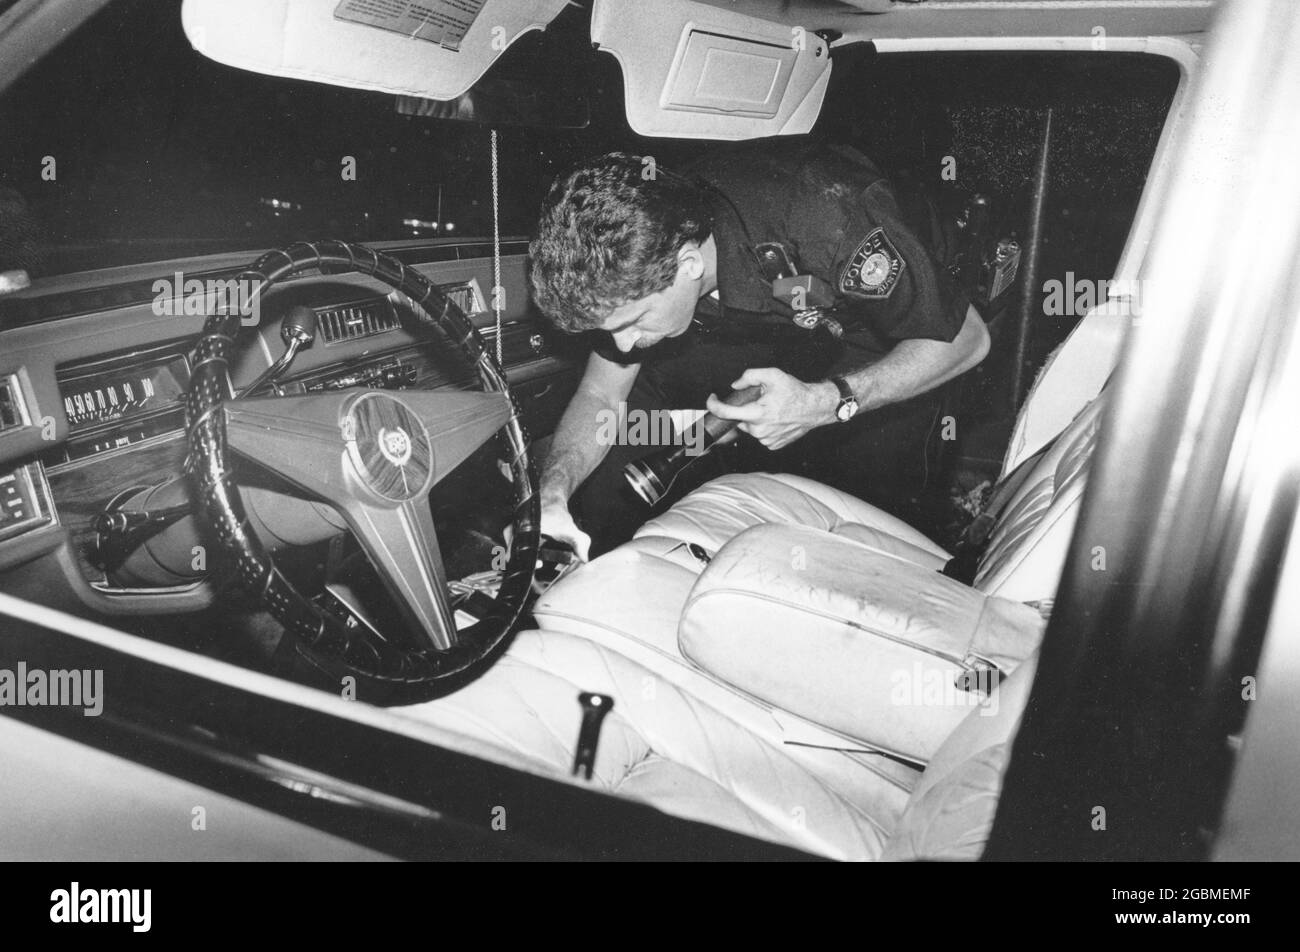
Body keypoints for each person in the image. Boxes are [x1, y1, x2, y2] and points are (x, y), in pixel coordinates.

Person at [528, 140, 990, 560]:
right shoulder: (644, 254)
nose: (622, 344)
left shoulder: (827, 217)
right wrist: (553, 490)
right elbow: (600, 397)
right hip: (776, 318)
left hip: (892, 328)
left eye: (631, 323)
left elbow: (967, 340)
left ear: (687, 265)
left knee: (877, 526)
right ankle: (607, 560)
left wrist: (828, 404)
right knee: (634, 403)